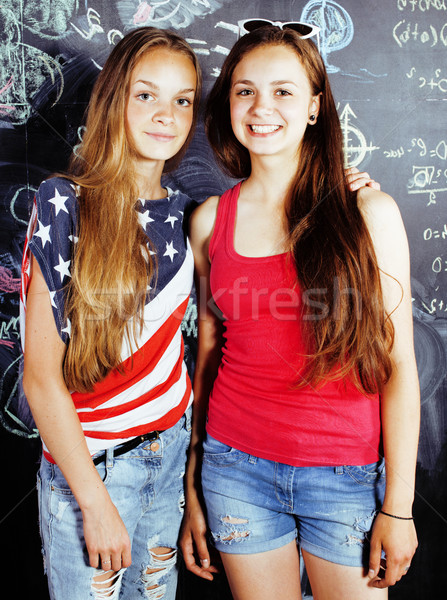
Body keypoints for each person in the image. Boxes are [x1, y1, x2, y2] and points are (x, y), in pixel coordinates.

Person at [180, 22, 419, 600]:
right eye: (245, 90)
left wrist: (401, 507)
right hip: (234, 468)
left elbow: (399, 366)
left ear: (314, 107)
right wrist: (193, 483)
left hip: (344, 477)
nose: (261, 107)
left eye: (283, 91)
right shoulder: (211, 220)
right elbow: (208, 354)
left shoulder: (369, 212)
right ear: (229, 103)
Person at [20, 27, 201, 600]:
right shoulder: (63, 202)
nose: (165, 115)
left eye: (182, 100)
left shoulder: (187, 214)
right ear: (115, 98)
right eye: (146, 95)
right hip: (91, 468)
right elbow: (41, 379)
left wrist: (345, 189)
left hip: (169, 453)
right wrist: (94, 504)